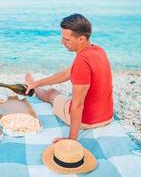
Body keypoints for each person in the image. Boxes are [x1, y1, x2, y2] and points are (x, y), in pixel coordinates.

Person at [25, 13, 113, 142]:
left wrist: (71, 140)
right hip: (107, 116)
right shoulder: (98, 50)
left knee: (51, 93)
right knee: (59, 93)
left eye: (66, 39)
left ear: (81, 39)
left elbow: (77, 105)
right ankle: (34, 85)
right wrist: (37, 83)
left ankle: (35, 90)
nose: (62, 42)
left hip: (87, 121)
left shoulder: (81, 62)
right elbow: (66, 74)